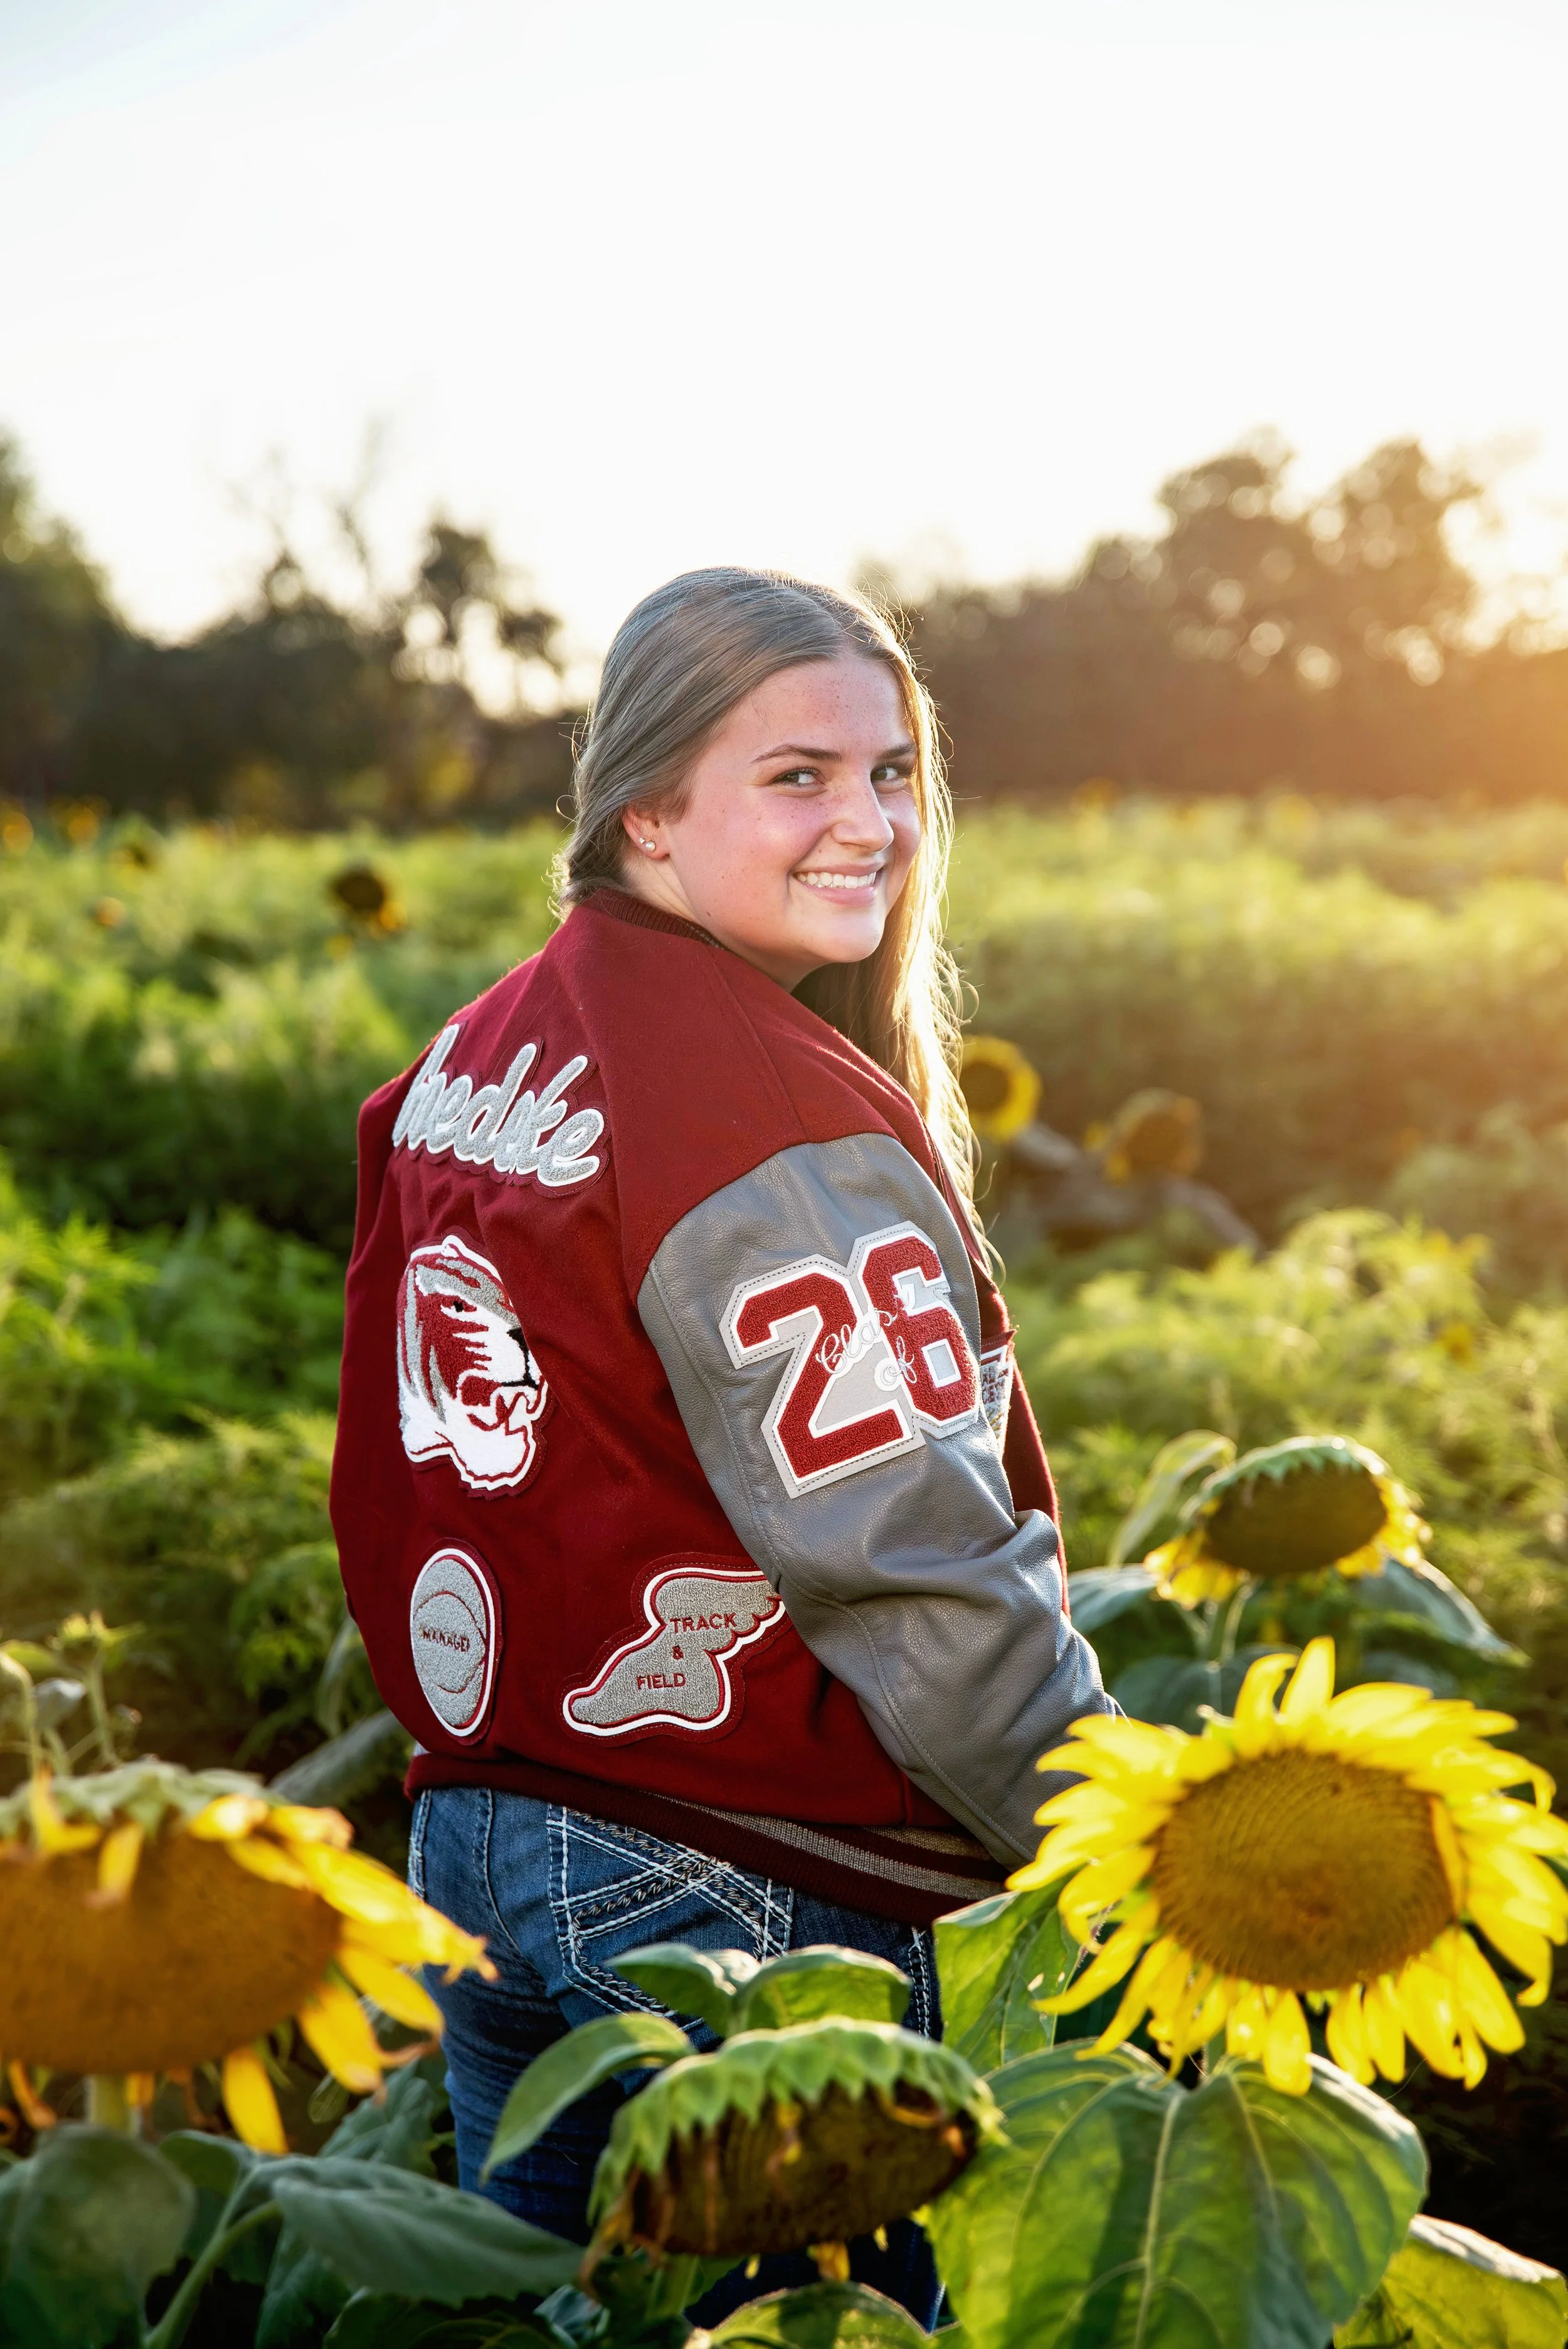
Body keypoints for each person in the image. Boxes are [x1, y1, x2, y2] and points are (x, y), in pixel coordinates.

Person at [330, 568, 1111, 2323]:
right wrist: (1123, 1863)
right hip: (737, 1885)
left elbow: (414, 1470)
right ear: (649, 808)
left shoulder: (478, 1051)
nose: (871, 824)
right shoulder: (748, 1103)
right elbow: (912, 1572)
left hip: (489, 1838)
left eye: (892, 771)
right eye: (798, 778)